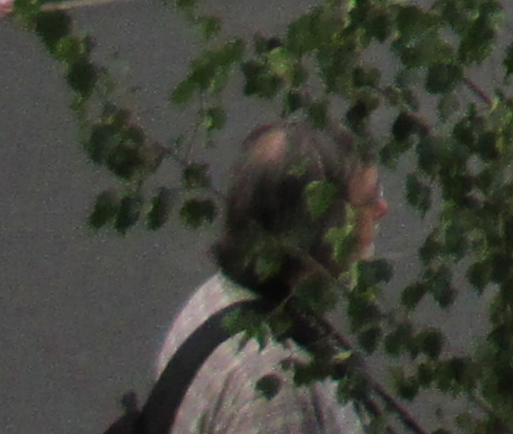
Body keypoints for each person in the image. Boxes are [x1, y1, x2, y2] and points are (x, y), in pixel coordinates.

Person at [143, 122, 388, 433]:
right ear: (320, 227)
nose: (383, 209)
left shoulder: (212, 300)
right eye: (369, 200)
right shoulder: (276, 388)